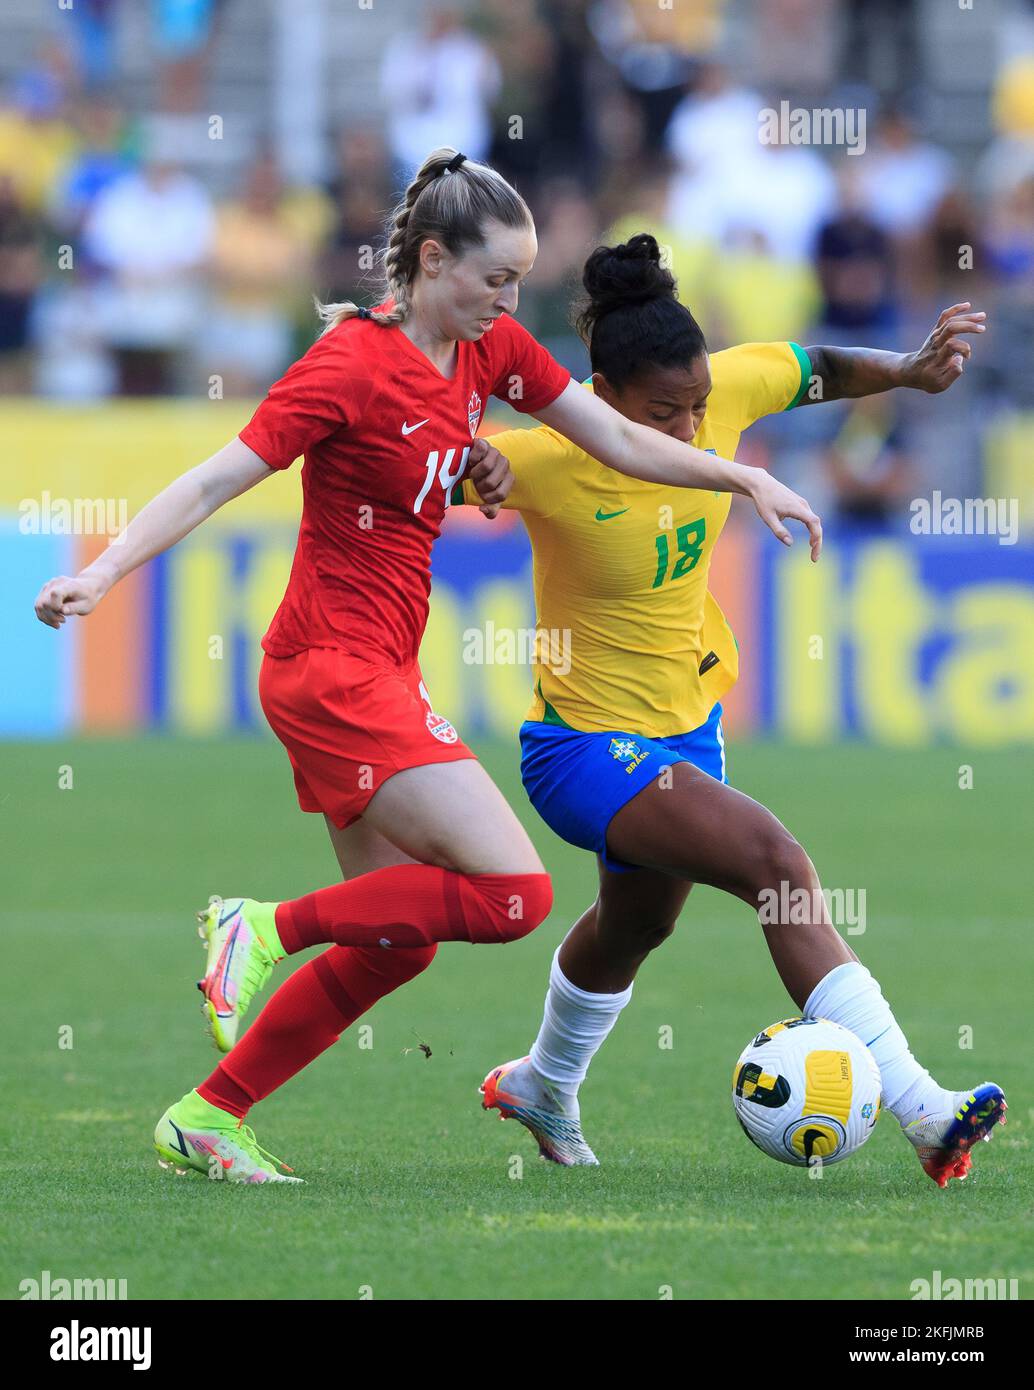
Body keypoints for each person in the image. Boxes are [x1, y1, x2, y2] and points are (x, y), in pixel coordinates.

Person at [33, 154, 819, 1185]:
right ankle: (258, 925)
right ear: (433, 259)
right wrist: (102, 571)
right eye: (496, 278)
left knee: (396, 935)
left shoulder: (487, 350)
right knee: (510, 895)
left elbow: (620, 441)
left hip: (369, 670)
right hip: (329, 670)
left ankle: (207, 1116)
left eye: (520, 280)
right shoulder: (349, 364)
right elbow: (218, 477)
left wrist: (737, 475)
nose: (510, 299)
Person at [459, 235, 1003, 1188]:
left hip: (685, 727)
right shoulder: (545, 460)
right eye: (664, 411)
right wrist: (473, 466)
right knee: (776, 866)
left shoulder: (722, 394)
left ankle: (543, 1081)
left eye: (700, 403)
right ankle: (924, 1109)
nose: (693, 423)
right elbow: (431, 465)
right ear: (599, 396)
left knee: (634, 927)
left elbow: (819, 366)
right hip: (582, 747)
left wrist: (912, 373)